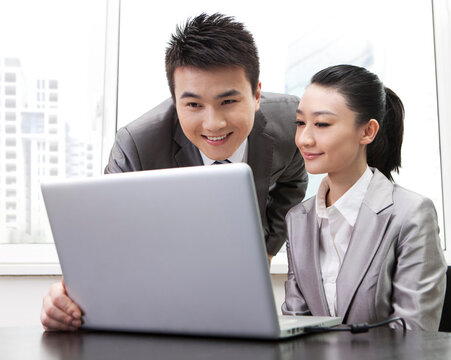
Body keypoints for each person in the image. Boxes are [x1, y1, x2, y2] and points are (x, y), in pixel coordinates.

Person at [40, 13, 307, 331]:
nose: (213, 124)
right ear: (175, 101)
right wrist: (65, 296)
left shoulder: (293, 124)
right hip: (164, 299)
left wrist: (266, 249)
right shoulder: (137, 145)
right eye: (193, 105)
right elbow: (104, 241)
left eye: (228, 101)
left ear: (257, 95)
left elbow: (293, 179)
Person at [281, 64, 446, 330]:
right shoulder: (298, 219)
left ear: (367, 131)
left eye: (322, 124)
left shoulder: (410, 214)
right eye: (300, 123)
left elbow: (414, 335)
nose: (304, 138)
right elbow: (295, 326)